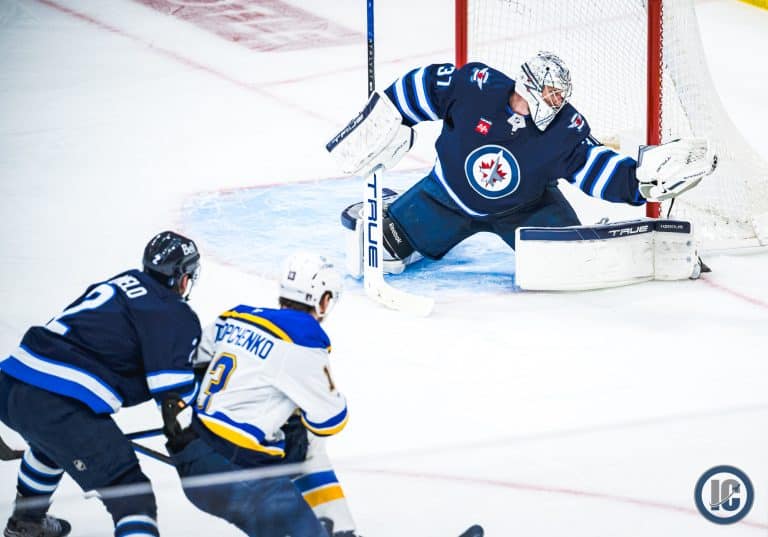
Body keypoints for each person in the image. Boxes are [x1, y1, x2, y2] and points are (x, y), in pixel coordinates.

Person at [330, 51, 716, 273]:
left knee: (574, 261)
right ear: (528, 85)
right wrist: (391, 114)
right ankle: (397, 210)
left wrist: (638, 180)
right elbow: (427, 86)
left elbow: (593, 166)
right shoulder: (476, 86)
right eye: (551, 93)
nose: (557, 101)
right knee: (382, 251)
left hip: (526, 209)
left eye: (560, 95)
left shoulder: (565, 128)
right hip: (445, 196)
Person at [0, 231, 202, 537]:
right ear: (182, 278)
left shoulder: (122, 282)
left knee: (50, 445)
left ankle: (26, 522)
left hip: (11, 382)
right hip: (58, 403)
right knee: (132, 496)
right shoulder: (173, 312)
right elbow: (173, 396)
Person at [163, 252, 359, 537]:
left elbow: (193, 361)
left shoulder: (236, 317)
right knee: (310, 439)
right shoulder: (302, 340)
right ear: (323, 300)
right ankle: (341, 530)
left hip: (192, 454)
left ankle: (341, 529)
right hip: (239, 475)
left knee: (299, 435)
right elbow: (330, 420)